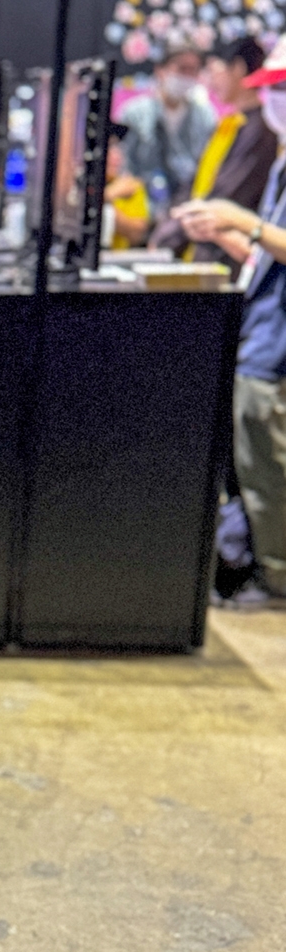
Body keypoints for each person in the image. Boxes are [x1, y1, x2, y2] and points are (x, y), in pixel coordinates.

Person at [176, 39, 286, 609]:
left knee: (269, 473)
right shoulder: (282, 162)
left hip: (276, 348)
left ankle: (276, 580)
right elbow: (269, 258)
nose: (274, 100)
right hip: (259, 335)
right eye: (273, 88)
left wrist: (243, 222)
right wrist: (228, 235)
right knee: (248, 468)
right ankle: (252, 567)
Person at [151, 38, 276, 266]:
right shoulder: (227, 123)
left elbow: (225, 194)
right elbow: (195, 183)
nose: (209, 81)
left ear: (238, 69)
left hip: (227, 257)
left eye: (214, 71)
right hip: (199, 248)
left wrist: (170, 234)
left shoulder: (261, 129)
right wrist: (169, 225)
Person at [119, 46, 218, 223]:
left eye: (193, 70)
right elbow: (124, 166)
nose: (187, 76)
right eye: (181, 68)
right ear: (161, 70)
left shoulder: (206, 117)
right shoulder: (134, 114)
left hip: (188, 215)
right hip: (141, 212)